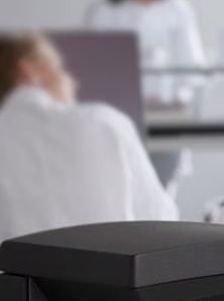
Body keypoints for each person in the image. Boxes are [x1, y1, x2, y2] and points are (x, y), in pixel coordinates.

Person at [0, 32, 177, 243]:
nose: (73, 82)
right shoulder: (102, 121)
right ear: (28, 71)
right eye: (59, 68)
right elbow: (160, 223)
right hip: (112, 272)